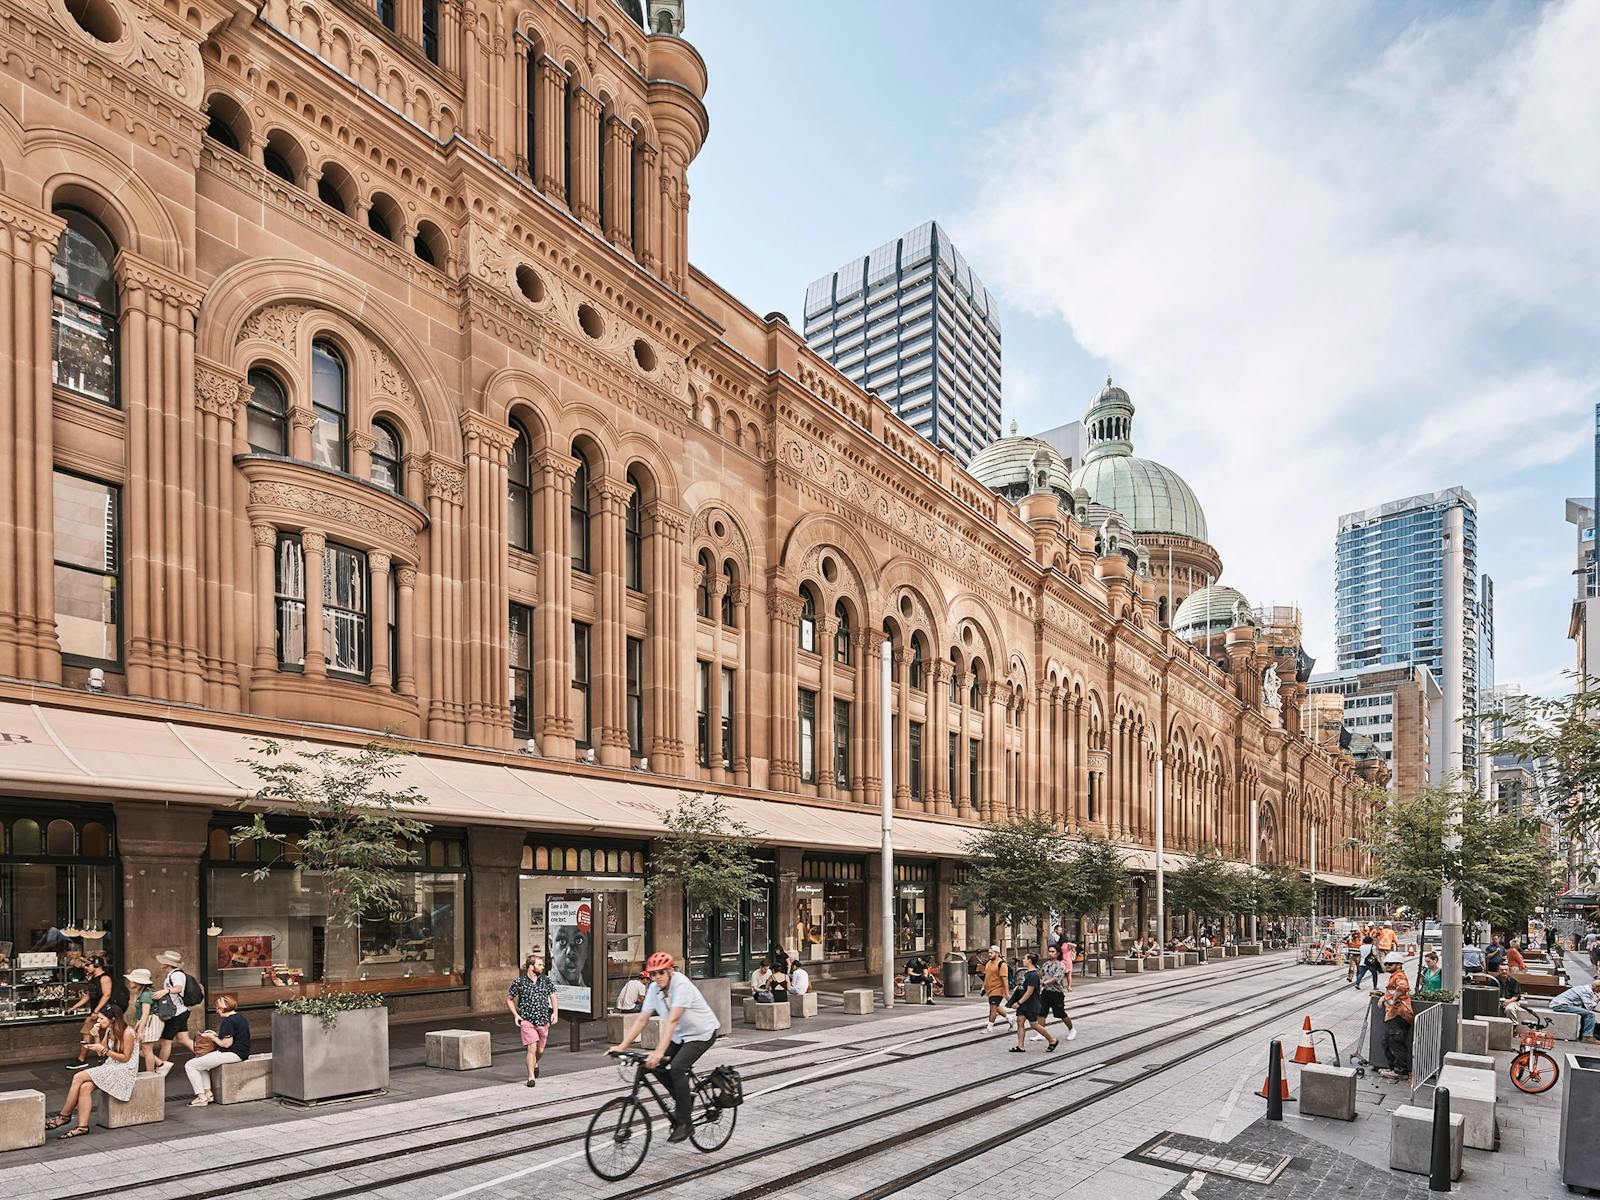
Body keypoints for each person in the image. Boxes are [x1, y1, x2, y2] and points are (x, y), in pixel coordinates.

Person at [610, 952, 719, 1143]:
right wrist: (621, 1046)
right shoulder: (653, 989)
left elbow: (673, 1020)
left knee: (677, 1067)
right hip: (679, 1036)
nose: (657, 977)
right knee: (648, 1066)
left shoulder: (681, 985)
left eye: (661, 972)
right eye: (653, 974)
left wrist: (658, 1052)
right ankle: (683, 1097)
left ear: (669, 971)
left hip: (701, 1033)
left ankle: (685, 1124)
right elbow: (642, 1018)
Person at [45, 1005, 136, 1138]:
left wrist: (104, 1050)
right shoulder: (109, 1030)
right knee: (85, 1087)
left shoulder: (128, 1032)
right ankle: (82, 1127)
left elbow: (125, 1058)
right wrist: (96, 1038)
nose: (98, 1021)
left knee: (78, 1076)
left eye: (101, 1018)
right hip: (112, 1065)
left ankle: (64, 1116)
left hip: (124, 1069)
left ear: (113, 1019)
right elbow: (102, 1052)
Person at [184, 995, 251, 1106]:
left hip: (231, 1053)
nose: (217, 1011)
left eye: (217, 1008)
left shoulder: (228, 1021)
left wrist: (213, 1038)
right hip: (241, 1053)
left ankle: (201, 1097)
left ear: (222, 1009)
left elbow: (226, 1044)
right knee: (201, 1064)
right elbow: (233, 1037)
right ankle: (208, 1093)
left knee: (190, 1065)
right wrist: (216, 1035)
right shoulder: (239, 1017)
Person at [506, 953, 559, 1086]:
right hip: (527, 1021)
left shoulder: (546, 980)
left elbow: (553, 997)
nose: (542, 967)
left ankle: (535, 1062)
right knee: (531, 1048)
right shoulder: (520, 982)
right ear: (531, 966)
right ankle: (531, 1077)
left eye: (542, 965)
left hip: (543, 1020)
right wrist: (516, 1015)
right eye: (539, 964)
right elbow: (509, 999)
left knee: (540, 1050)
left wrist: (555, 1013)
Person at [66, 959, 123, 1070]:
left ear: (96, 965)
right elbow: (88, 995)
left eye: (88, 965)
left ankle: (111, 1058)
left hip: (106, 1013)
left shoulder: (105, 978)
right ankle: (82, 1059)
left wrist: (97, 1011)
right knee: (87, 1033)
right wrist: (75, 1007)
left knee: (109, 1035)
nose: (86, 967)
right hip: (96, 1013)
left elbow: (107, 995)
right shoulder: (93, 979)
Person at [152, 950, 197, 1076]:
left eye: (162, 962)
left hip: (176, 1013)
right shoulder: (174, 974)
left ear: (167, 964)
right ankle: (206, 1057)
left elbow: (178, 988)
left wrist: (164, 991)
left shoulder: (176, 975)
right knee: (183, 1039)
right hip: (181, 1011)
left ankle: (161, 1067)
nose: (160, 964)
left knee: (165, 1041)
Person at [1004, 953, 1058, 1054]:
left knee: (1034, 1025)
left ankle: (1052, 1040)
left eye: (1024, 958)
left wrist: (1019, 1003)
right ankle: (1020, 1046)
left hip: (1031, 1004)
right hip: (1024, 1004)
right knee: (1020, 1021)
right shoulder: (1027, 973)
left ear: (1029, 961)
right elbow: (1025, 988)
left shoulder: (1033, 975)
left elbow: (1030, 992)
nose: (1023, 960)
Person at [1378, 953, 1414, 1081]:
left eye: (1390, 964)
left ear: (1399, 965)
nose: (1387, 966)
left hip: (1399, 1014)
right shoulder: (1394, 976)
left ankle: (1400, 1071)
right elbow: (1392, 990)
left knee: (1395, 1042)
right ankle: (1393, 1068)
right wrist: (1384, 997)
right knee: (1387, 1042)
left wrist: (1394, 999)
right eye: (1386, 964)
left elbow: (1403, 987)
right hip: (1394, 1014)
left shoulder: (1399, 975)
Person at [1037, 944, 1077, 1041]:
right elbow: (1041, 973)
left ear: (1058, 953)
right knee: (1041, 1012)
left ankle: (1072, 1030)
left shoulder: (1060, 965)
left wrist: (1044, 982)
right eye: (1049, 951)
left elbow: (1056, 978)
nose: (1050, 953)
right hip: (1046, 992)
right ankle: (1041, 1033)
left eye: (1053, 952)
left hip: (1056, 993)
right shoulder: (1046, 964)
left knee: (1060, 1013)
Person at [125, 968, 161, 1072]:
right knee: (143, 1049)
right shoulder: (145, 992)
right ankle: (160, 1064)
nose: (130, 982)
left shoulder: (145, 994)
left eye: (132, 980)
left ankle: (150, 1074)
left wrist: (140, 1030)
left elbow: (145, 1014)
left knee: (147, 1049)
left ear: (138, 982)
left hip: (149, 1023)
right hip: (147, 1022)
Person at [1550, 979, 1600, 1044]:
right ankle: (1587, 1037)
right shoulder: (1587, 991)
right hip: (1561, 1005)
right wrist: (1598, 999)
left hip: (1559, 1004)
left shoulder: (1586, 988)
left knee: (1586, 1014)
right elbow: (1589, 1007)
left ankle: (1582, 1036)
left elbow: (1586, 1007)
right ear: (1597, 987)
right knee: (1590, 1015)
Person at [981, 946, 1013, 1033]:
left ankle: (990, 1027)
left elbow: (1004, 979)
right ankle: (1009, 1018)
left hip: (998, 990)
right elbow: (987, 976)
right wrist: (983, 987)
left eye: (991, 953)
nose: (989, 955)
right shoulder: (989, 963)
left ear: (997, 953)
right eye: (989, 953)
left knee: (993, 1008)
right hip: (990, 990)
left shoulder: (1002, 964)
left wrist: (1006, 993)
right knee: (996, 1007)